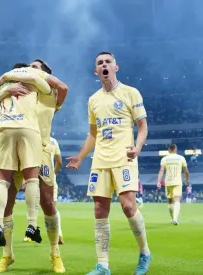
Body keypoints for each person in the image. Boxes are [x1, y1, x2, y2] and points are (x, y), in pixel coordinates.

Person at [66, 52, 151, 275]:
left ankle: (144, 252)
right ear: (96, 71)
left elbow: (142, 127)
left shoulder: (130, 93)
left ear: (116, 67)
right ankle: (103, 265)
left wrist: (138, 148)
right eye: (100, 63)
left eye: (107, 62)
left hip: (124, 157)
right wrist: (80, 156)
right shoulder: (93, 100)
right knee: (99, 209)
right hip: (101, 160)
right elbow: (93, 134)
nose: (104, 65)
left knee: (128, 206)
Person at [0, 60, 68, 273]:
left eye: (36, 67)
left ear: (45, 74)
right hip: (17, 143)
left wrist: (9, 77)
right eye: (29, 66)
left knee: (48, 203)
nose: (31, 69)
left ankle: (55, 254)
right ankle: (7, 255)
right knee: (8, 203)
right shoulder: (21, 91)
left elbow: (63, 87)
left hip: (40, 148)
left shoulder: (50, 94)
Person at [0, 62, 52, 248]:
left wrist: (6, 87)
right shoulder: (33, 80)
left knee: (2, 181)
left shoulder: (3, 85)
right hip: (28, 129)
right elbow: (47, 87)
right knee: (31, 180)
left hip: (5, 128)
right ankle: (32, 225)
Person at [157, 144, 189, 225]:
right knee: (177, 200)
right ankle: (175, 218)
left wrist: (158, 182)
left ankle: (172, 218)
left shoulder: (165, 159)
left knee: (170, 201)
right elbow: (186, 171)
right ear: (175, 149)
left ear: (169, 150)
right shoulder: (181, 158)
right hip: (177, 181)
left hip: (168, 182)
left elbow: (161, 170)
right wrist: (187, 179)